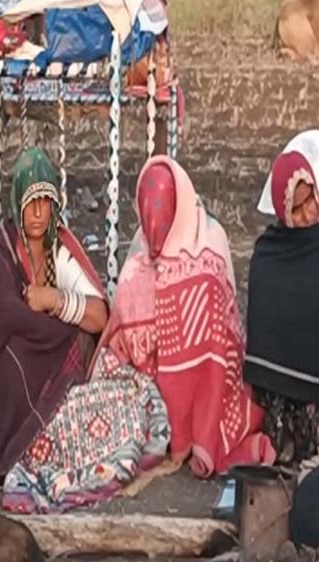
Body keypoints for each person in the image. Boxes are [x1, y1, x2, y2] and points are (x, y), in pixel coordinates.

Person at [98, 155, 274, 478]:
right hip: (148, 382)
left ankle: (197, 431)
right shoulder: (137, 263)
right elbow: (121, 333)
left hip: (210, 377)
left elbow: (223, 330)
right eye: (148, 215)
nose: (155, 227)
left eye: (163, 213)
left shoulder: (210, 242)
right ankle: (160, 430)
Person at [0, 147, 110, 486]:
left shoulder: (60, 249)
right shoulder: (1, 247)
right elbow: (8, 315)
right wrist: (65, 328)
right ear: (18, 204)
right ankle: (2, 455)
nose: (38, 212)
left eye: (46, 202)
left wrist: (54, 299)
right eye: (31, 202)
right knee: (17, 359)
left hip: (47, 362)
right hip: (4, 361)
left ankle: (42, 448)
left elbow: (100, 317)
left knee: (79, 348)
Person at [244, 151, 319, 466]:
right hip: (283, 400)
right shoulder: (269, 254)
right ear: (283, 211)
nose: (308, 213)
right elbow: (265, 319)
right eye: (297, 208)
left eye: (310, 201)